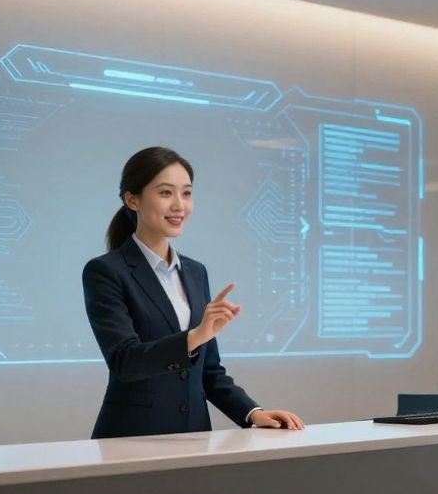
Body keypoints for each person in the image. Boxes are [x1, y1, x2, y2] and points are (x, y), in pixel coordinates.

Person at [82, 146, 306, 439]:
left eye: (186, 193)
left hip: (194, 438)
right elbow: (125, 361)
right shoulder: (106, 271)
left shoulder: (195, 272)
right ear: (132, 199)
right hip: (132, 438)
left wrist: (252, 413)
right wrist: (196, 336)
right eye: (165, 193)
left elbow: (208, 370)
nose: (179, 205)